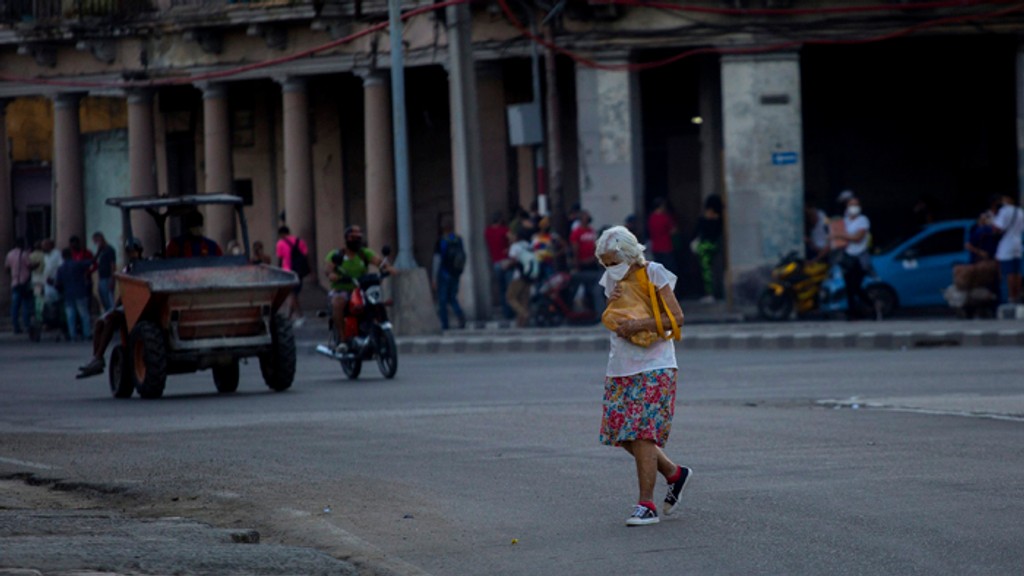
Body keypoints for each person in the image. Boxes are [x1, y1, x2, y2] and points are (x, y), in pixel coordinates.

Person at [595, 226, 691, 526]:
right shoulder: (611, 278)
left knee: (643, 433)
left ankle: (646, 504)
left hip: (655, 363)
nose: (610, 268)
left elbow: (676, 318)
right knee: (622, 435)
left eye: (614, 262)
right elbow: (614, 315)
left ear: (628, 254)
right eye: (605, 263)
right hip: (620, 366)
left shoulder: (654, 272)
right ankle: (674, 474)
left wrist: (639, 325)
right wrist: (612, 302)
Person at [77, 238, 144, 379]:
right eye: (129, 252)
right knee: (100, 322)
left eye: (134, 251)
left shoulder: (145, 267)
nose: (132, 254)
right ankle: (97, 358)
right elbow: (124, 293)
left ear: (140, 251)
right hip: (126, 305)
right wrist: (115, 307)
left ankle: (98, 356)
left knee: (111, 320)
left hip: (140, 305)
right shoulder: (128, 269)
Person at [324, 226, 388, 348]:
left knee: (376, 301)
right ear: (346, 239)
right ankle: (342, 340)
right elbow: (328, 270)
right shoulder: (336, 254)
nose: (356, 240)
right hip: (342, 289)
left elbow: (380, 263)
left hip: (361, 289)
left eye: (359, 237)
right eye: (353, 237)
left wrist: (388, 269)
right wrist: (333, 275)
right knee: (338, 302)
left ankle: (380, 329)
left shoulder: (364, 253)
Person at [831, 196, 872, 319]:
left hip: (860, 258)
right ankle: (852, 312)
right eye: (851, 205)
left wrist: (840, 235)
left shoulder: (863, 220)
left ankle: (872, 305)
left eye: (856, 205)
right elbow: (837, 236)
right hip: (848, 256)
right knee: (849, 287)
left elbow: (858, 238)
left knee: (856, 286)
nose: (853, 208)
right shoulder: (845, 221)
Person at [433, 218, 467, 330]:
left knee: (442, 300)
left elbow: (437, 260)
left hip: (444, 273)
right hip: (456, 273)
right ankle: (459, 313)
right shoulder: (458, 239)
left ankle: (445, 324)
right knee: (452, 297)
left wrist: (434, 278)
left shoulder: (441, 241)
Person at [991, 193, 1024, 303]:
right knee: (1017, 272)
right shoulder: (1020, 212)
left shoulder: (1004, 211)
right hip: (1018, 244)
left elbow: (997, 228)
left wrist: (992, 220)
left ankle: (1011, 297)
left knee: (1009, 272)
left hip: (1007, 245)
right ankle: (1017, 295)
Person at [691, 195, 724, 303]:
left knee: (706, 272)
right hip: (712, 246)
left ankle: (709, 293)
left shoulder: (707, 220)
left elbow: (699, 230)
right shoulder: (719, 219)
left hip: (706, 247)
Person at [56, 248, 93, 341]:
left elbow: (58, 283)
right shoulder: (77, 264)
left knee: (70, 316)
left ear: (63, 257)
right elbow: (90, 262)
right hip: (80, 292)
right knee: (84, 314)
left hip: (68, 294)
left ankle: (73, 334)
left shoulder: (61, 268)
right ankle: (87, 333)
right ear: (71, 255)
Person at [276, 225, 310, 325]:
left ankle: (300, 316)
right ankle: (289, 317)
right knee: (294, 293)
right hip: (299, 271)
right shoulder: (300, 241)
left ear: (281, 234)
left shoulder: (280, 243)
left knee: (291, 294)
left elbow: (280, 258)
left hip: (288, 271)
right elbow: (306, 255)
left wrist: (279, 271)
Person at [504, 227, 536, 327]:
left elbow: (514, 260)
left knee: (510, 297)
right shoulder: (528, 245)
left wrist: (506, 266)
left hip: (519, 275)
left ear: (517, 237)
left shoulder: (515, 246)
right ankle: (522, 323)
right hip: (529, 275)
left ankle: (524, 314)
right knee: (524, 300)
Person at [5, 237, 37, 334]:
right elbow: (29, 266)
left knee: (15, 307)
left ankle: (16, 327)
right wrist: (37, 265)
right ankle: (27, 325)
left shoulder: (9, 254)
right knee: (26, 305)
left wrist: (14, 273)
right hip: (24, 282)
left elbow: (6, 268)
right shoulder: (24, 254)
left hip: (15, 282)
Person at [485, 211, 512, 319]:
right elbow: (514, 238)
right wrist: (509, 248)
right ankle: (511, 311)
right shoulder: (505, 230)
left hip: (496, 262)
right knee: (509, 288)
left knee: (502, 289)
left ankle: (505, 312)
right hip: (506, 261)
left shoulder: (488, 231)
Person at [647, 197, 678, 276]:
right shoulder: (665, 218)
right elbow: (673, 231)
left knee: (659, 270)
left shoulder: (651, 218)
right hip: (666, 246)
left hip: (656, 247)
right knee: (669, 269)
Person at [92, 232, 117, 314]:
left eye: (96, 241)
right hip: (102, 278)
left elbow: (112, 265)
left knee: (109, 300)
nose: (96, 244)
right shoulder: (101, 251)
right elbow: (94, 260)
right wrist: (98, 251)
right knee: (103, 299)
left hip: (108, 278)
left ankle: (112, 315)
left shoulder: (109, 250)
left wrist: (112, 279)